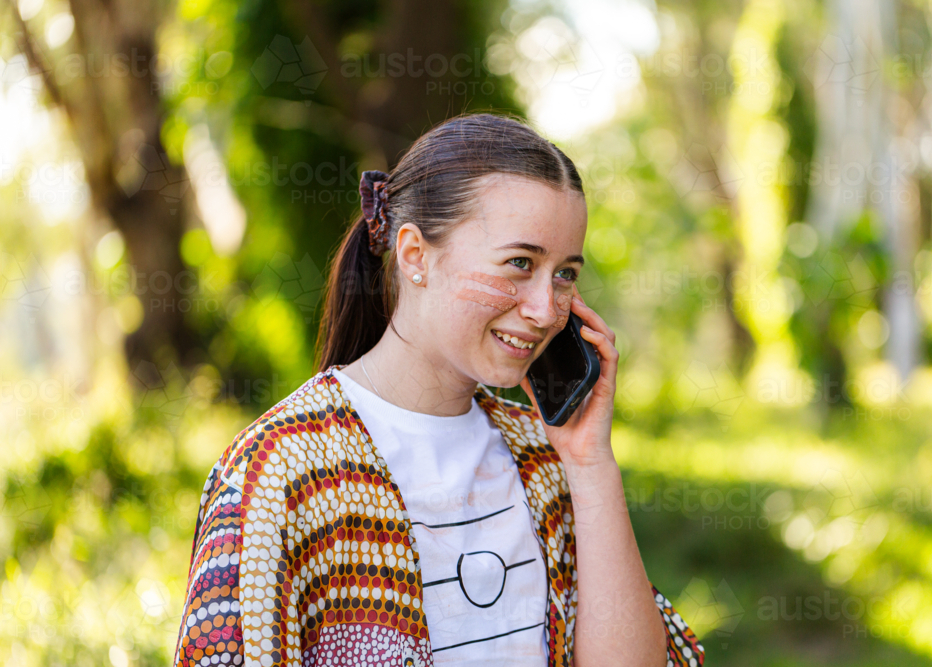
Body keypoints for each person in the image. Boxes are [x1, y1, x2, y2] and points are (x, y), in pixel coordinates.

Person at [173, 113, 704, 667]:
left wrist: (590, 464)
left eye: (565, 273)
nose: (547, 309)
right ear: (415, 256)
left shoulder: (544, 460)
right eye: (519, 263)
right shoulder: (279, 472)